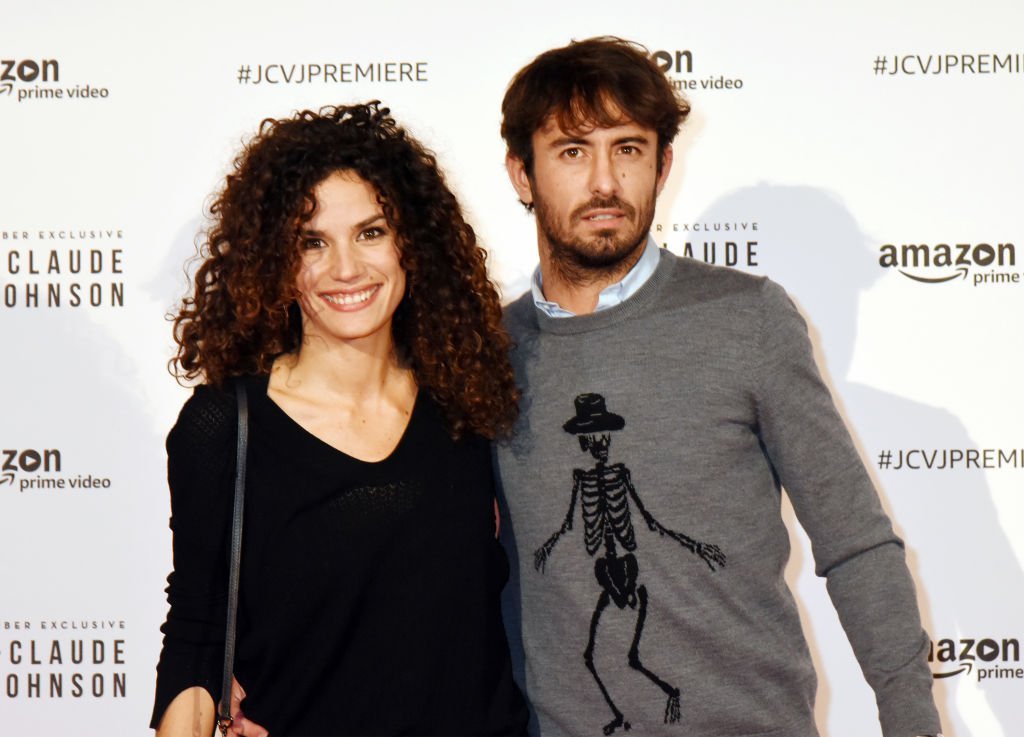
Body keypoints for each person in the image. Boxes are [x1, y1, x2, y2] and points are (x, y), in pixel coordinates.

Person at [494, 37, 943, 737]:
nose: (605, 182)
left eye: (630, 149)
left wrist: (913, 723)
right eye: (573, 151)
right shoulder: (484, 355)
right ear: (522, 174)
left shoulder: (746, 318)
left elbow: (855, 542)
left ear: (664, 164)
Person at [151, 102, 528, 737]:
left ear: (413, 242)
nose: (346, 269)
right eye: (312, 242)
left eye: (371, 232)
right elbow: (196, 626)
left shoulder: (469, 403)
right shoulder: (227, 425)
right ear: (275, 260)